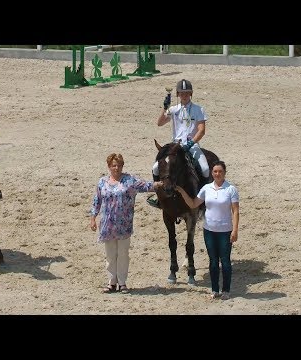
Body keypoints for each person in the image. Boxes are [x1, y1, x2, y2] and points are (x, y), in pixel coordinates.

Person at [90, 153, 163, 294]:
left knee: (123, 254)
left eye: (119, 165)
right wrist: (93, 217)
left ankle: (122, 283)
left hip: (124, 225)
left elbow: (146, 186)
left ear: (122, 166)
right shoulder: (102, 182)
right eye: (113, 165)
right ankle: (111, 282)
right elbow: (97, 201)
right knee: (110, 255)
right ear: (109, 166)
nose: (116, 168)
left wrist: (160, 184)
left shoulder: (130, 180)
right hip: (107, 225)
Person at [175, 160, 239, 300]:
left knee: (225, 261)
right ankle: (215, 290)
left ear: (224, 173)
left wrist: (235, 230)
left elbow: (235, 211)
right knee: (213, 261)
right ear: (212, 173)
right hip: (209, 230)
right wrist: (181, 191)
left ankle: (226, 290)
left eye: (220, 171)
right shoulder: (206, 188)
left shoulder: (231, 189)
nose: (217, 174)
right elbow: (193, 203)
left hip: (225, 230)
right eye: (215, 172)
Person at [147, 79, 210, 208]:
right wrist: (164, 108)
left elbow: (201, 130)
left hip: (191, 144)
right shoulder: (173, 109)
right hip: (175, 145)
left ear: (191, 93)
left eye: (186, 93)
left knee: (205, 169)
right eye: (182, 93)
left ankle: (202, 198)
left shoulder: (198, 109)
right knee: (155, 168)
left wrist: (191, 143)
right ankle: (159, 197)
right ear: (178, 94)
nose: (184, 95)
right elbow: (159, 123)